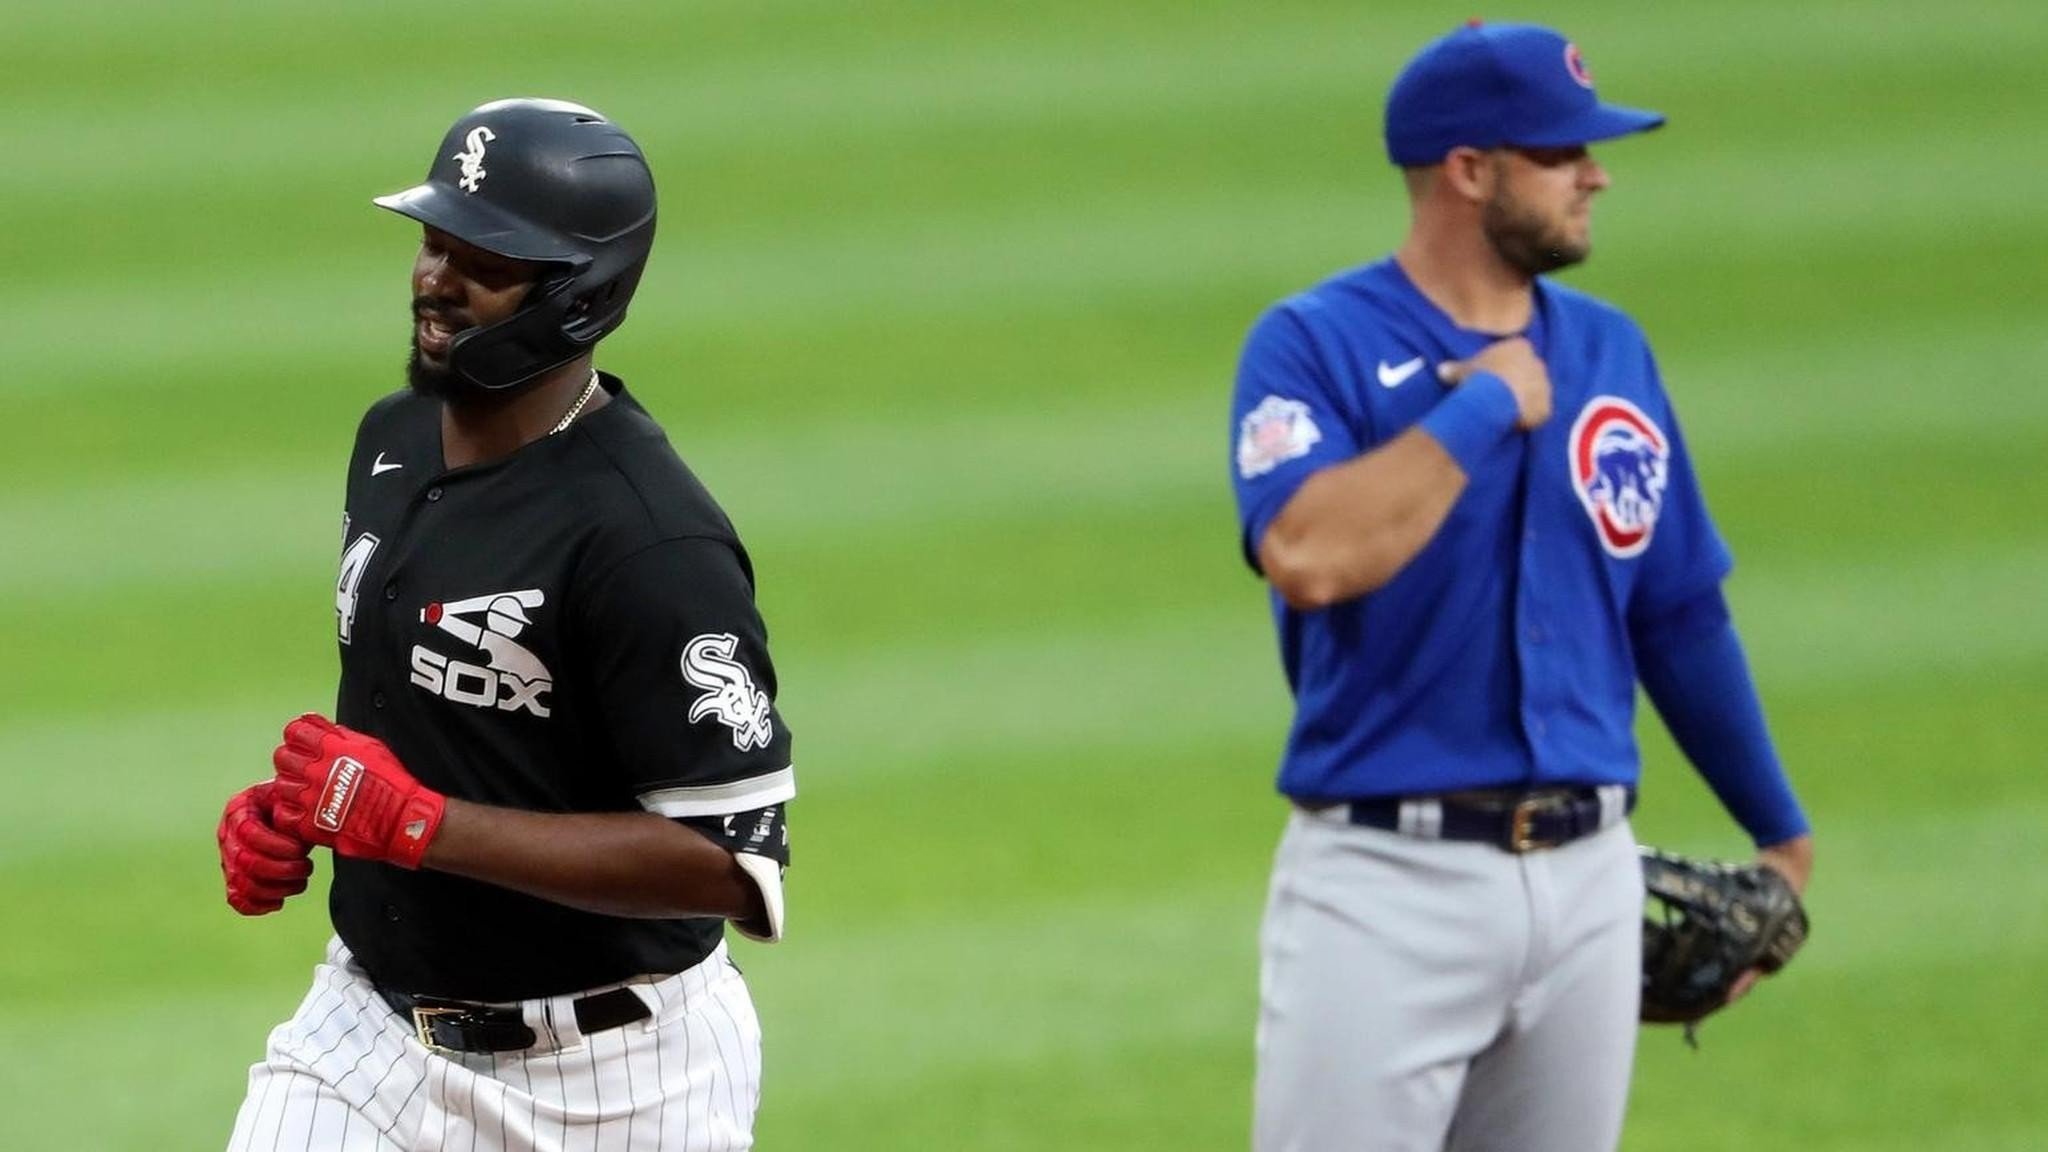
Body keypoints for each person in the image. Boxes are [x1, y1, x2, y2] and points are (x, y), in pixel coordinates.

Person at [1228, 23, 1813, 1152]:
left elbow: (1677, 609)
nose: (1594, 172)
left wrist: (1776, 829)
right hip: (1384, 886)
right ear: (1467, 170)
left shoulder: (1610, 353)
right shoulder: (1314, 344)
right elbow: (1307, 555)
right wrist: (1480, 407)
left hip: (1591, 882)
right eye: (1560, 154)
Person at [215, 98, 795, 1152]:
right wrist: (305, 813)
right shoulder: (391, 442)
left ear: (581, 293)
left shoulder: (650, 541)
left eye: (481, 259)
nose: (434, 277)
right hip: (368, 1038)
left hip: (616, 1083)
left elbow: (729, 859)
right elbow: (439, 727)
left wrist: (416, 825)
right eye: (433, 242)